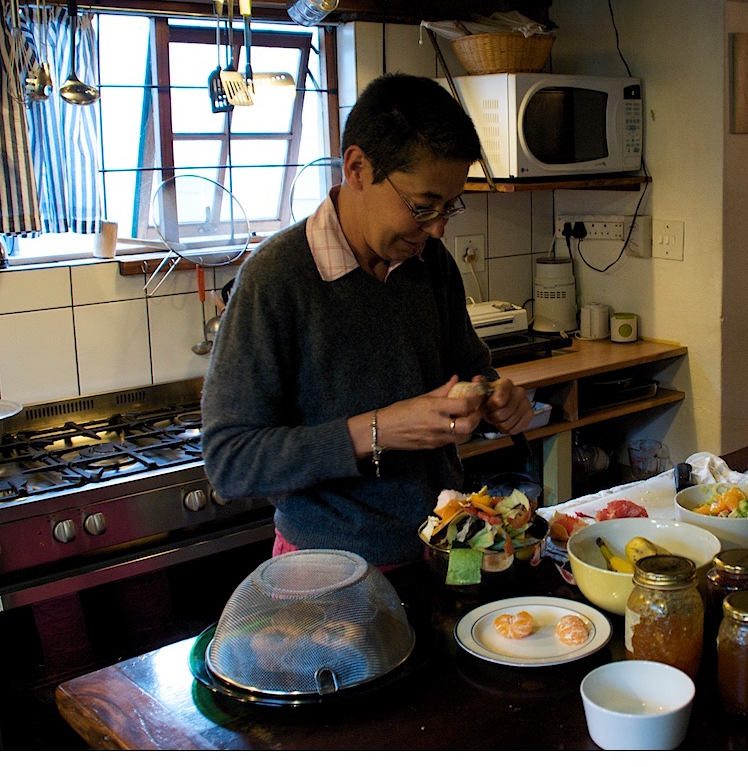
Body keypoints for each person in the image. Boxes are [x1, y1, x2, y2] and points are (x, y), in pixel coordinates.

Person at [201, 72, 535, 567]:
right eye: (423, 207)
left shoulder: (430, 263)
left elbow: (470, 370)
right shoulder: (275, 279)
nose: (438, 229)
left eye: (450, 207)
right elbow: (230, 462)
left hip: (443, 548)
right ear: (357, 168)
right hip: (326, 570)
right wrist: (377, 431)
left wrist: (496, 396)